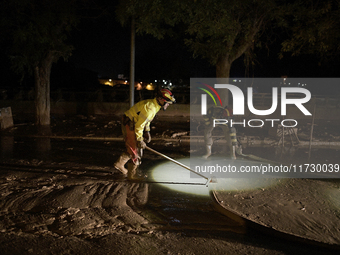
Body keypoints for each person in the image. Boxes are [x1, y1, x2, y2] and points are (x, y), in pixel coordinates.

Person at [114, 88, 176, 180]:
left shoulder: (155, 105)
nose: (168, 105)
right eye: (167, 102)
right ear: (160, 99)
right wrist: (140, 140)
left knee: (135, 149)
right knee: (136, 151)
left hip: (133, 123)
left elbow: (146, 121)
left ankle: (120, 164)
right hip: (130, 124)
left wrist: (147, 131)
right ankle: (132, 175)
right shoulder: (150, 108)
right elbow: (139, 125)